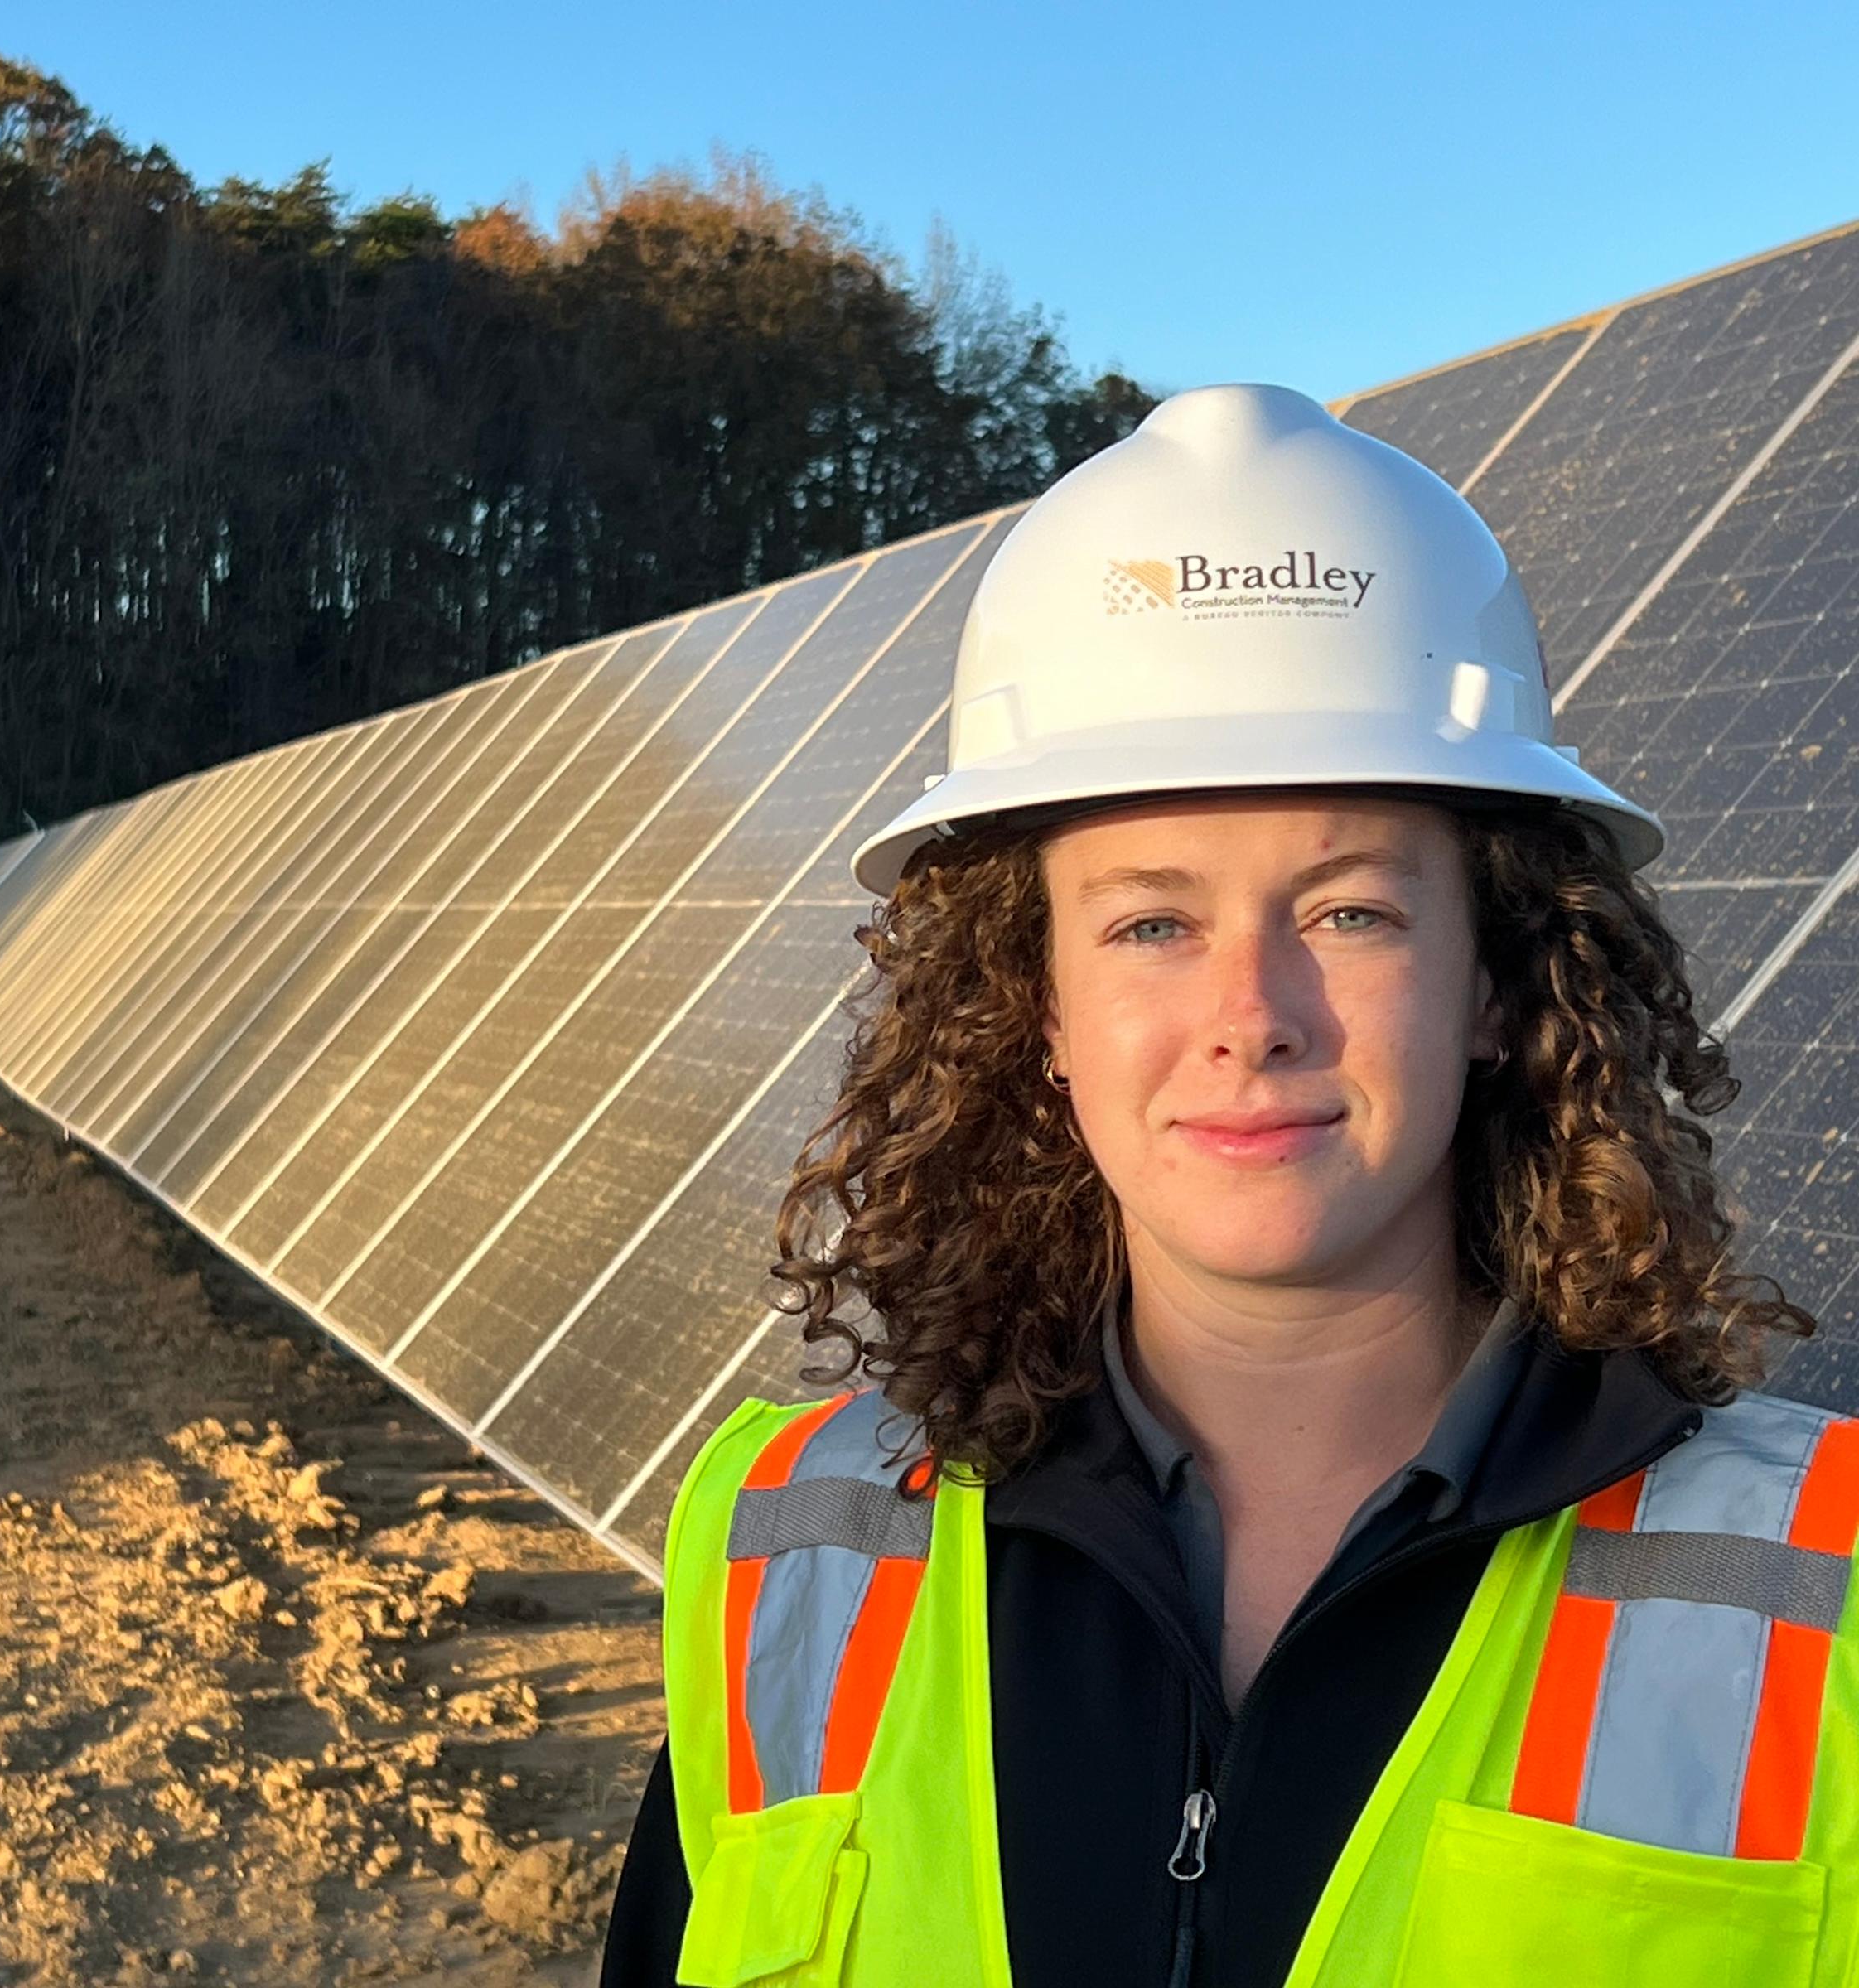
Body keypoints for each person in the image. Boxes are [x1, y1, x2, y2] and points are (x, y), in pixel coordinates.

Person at [599, 384, 1856, 1988]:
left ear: (1495, 980)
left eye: (1349, 915)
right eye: (1148, 924)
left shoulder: (1824, 1604)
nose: (1251, 1014)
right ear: (1037, 1005)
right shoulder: (787, 1568)